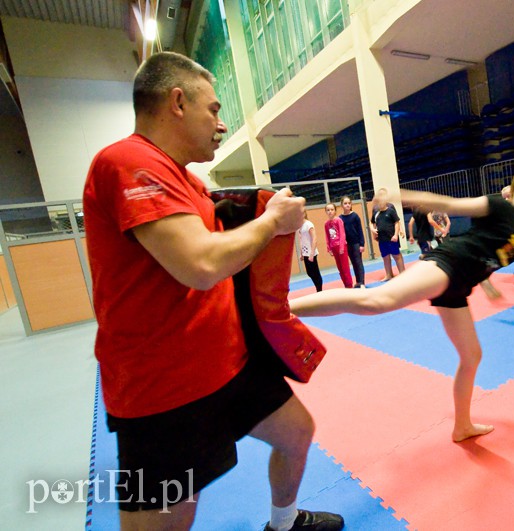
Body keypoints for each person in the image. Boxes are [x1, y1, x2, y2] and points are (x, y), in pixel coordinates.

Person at [82, 52, 343, 531]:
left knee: (297, 433)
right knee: (173, 518)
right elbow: (201, 264)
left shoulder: (188, 181)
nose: (220, 124)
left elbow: (220, 249)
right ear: (177, 102)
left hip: (228, 365)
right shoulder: (127, 161)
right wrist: (271, 221)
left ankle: (283, 524)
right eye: (215, 109)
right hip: (162, 390)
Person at [290, 163, 514, 442]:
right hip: (447, 265)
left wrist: (486, 283)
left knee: (471, 357)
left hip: (458, 286)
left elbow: (485, 249)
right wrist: (400, 195)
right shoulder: (501, 208)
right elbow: (448, 203)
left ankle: (462, 426)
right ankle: (285, 307)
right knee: (376, 300)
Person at [370, 187, 405, 280]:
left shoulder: (390, 208)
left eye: (383, 195)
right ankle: (389, 274)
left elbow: (397, 221)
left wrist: (398, 232)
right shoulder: (376, 210)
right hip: (382, 238)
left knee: (396, 255)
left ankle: (403, 273)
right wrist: (373, 232)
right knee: (385, 256)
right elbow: (372, 222)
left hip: (392, 237)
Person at [323, 202, 353, 288]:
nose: (330, 212)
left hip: (341, 247)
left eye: (332, 210)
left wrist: (341, 247)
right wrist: (329, 248)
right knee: (340, 268)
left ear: (335, 211)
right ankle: (345, 285)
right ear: (326, 212)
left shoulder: (338, 220)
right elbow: (327, 236)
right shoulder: (326, 224)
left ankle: (349, 285)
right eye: (328, 210)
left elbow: (342, 234)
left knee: (345, 268)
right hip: (333, 247)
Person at [339, 195, 366, 288]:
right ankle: (358, 281)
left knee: (358, 262)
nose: (347, 205)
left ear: (351, 204)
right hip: (347, 244)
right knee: (353, 263)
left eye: (349, 203)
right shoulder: (340, 218)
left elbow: (360, 230)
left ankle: (362, 282)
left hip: (356, 243)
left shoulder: (355, 216)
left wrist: (362, 244)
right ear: (341, 205)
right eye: (345, 203)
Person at [298, 212, 324, 292]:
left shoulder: (308, 224)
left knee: (315, 272)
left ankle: (319, 289)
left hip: (311, 253)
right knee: (309, 272)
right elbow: (302, 240)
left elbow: (314, 239)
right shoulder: (300, 226)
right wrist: (302, 253)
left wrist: (312, 253)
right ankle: (318, 287)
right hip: (306, 253)